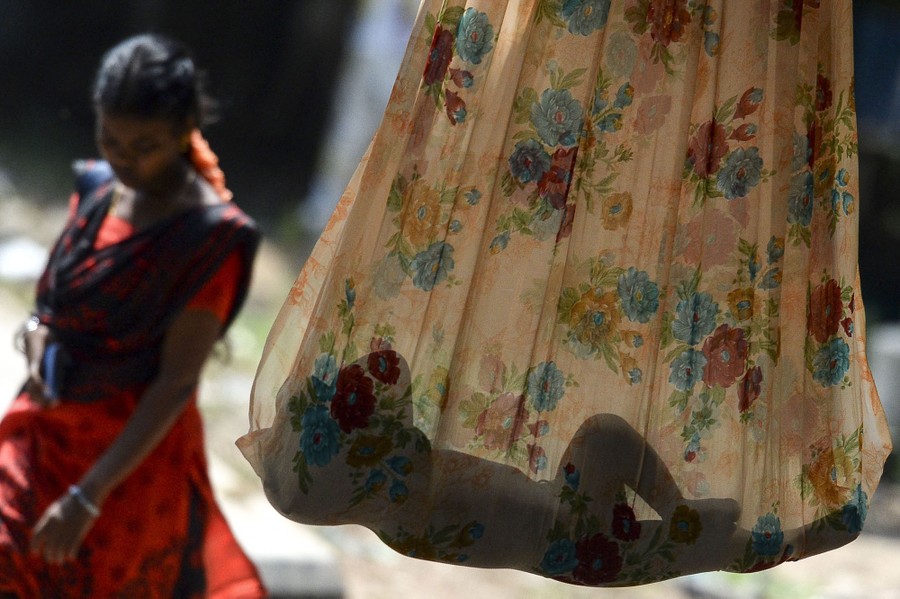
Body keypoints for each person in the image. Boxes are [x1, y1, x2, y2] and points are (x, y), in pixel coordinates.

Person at [239, 0, 892, 587]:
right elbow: (389, 378)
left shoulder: (400, 497)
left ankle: (763, 522)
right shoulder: (405, 490)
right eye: (366, 424)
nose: (382, 401)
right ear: (368, 463)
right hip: (583, 532)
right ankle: (757, 521)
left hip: (576, 528)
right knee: (648, 471)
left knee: (713, 523)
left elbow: (384, 384)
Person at [0, 34, 266, 597]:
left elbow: (174, 385)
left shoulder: (208, 239)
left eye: (144, 145)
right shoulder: (98, 190)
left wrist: (86, 497)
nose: (124, 159)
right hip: (43, 437)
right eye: (111, 138)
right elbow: (53, 309)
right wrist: (36, 338)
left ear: (183, 131)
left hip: (124, 472)